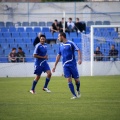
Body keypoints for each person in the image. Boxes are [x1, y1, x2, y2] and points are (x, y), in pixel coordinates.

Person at [52, 32, 82, 99]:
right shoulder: (60, 46)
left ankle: (78, 89)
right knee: (69, 79)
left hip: (72, 65)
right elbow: (58, 56)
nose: (58, 38)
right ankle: (74, 95)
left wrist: (79, 59)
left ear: (62, 36)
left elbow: (78, 50)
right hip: (65, 66)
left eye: (58, 36)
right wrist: (54, 66)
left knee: (77, 80)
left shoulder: (71, 43)